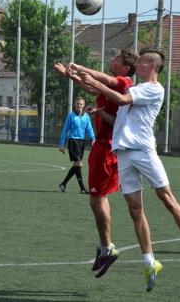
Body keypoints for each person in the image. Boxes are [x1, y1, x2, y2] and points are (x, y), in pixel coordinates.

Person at [81, 48, 180, 292]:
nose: (136, 65)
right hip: (124, 154)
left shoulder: (153, 89)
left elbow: (120, 99)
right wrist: (83, 78)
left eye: (140, 63)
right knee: (135, 210)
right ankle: (150, 262)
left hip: (143, 152)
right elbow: (110, 98)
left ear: (151, 66)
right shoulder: (135, 87)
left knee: (167, 199)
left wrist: (93, 81)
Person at [54, 49, 137, 278]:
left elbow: (101, 80)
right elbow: (92, 87)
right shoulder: (116, 86)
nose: (113, 60)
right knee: (98, 198)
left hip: (107, 148)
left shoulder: (122, 82)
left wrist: (80, 68)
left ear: (125, 68)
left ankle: (107, 247)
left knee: (97, 198)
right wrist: (69, 76)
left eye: (117, 59)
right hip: (104, 147)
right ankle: (104, 247)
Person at [58, 97, 95, 194]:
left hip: (81, 142)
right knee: (78, 163)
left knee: (76, 165)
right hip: (73, 141)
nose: (79, 105)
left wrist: (93, 138)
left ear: (84, 105)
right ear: (75, 105)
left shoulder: (86, 116)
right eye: (77, 104)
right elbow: (65, 130)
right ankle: (82, 188)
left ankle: (63, 183)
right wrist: (62, 144)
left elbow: (89, 129)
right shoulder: (71, 116)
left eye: (81, 104)